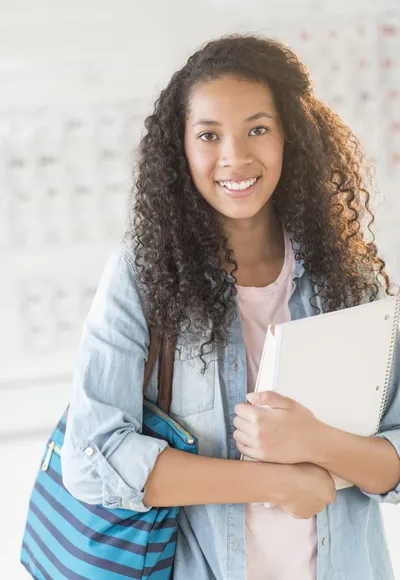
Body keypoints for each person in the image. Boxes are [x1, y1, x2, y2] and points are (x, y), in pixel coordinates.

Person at [61, 34, 400, 580]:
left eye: (258, 129)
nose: (235, 157)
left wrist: (317, 443)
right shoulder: (144, 275)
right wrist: (276, 480)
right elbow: (92, 457)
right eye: (209, 135)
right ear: (182, 149)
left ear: (292, 135)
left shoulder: (349, 272)